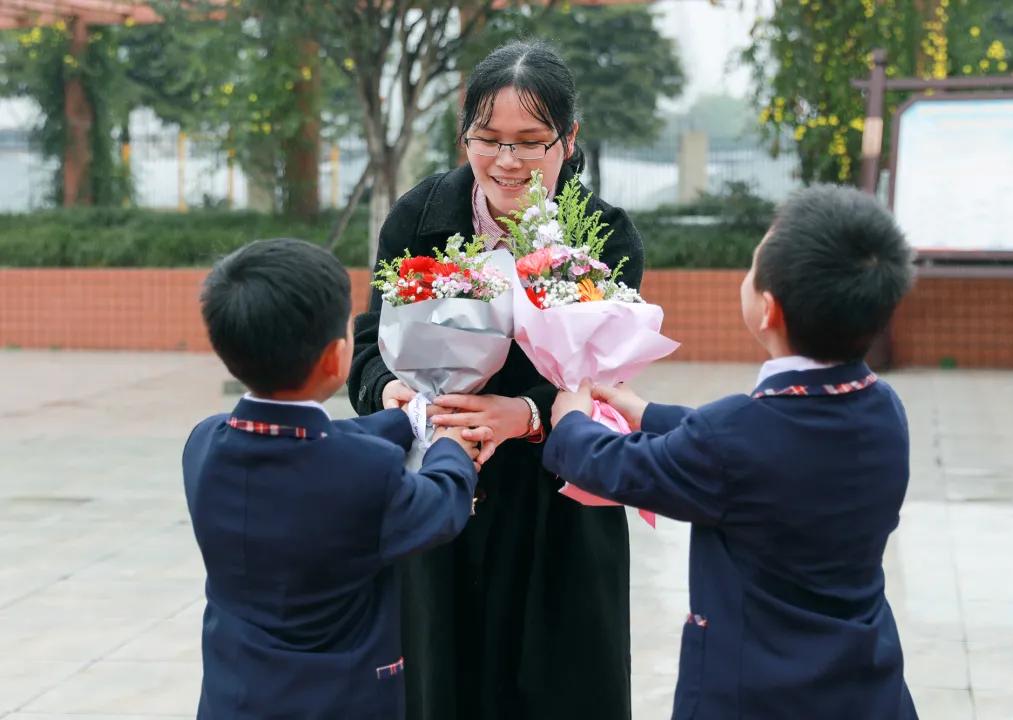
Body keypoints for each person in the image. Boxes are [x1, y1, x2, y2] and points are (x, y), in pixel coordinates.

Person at [348, 41, 644, 720]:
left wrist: (528, 414)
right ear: (465, 135)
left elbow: (606, 377)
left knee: (561, 685)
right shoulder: (418, 221)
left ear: (569, 139)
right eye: (488, 139)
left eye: (531, 142)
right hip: (447, 491)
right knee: (443, 679)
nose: (507, 161)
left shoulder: (604, 237)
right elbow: (371, 346)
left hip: (559, 503)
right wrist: (391, 394)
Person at [544, 185, 919, 719]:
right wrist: (645, 413)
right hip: (865, 686)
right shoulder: (885, 410)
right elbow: (751, 453)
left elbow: (622, 467)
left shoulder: (734, 436)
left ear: (767, 309)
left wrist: (572, 423)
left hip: (755, 695)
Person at [183, 238, 487, 719]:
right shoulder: (366, 474)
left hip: (234, 698)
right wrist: (451, 449)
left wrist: (406, 421)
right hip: (340, 703)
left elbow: (320, 440)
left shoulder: (204, 445)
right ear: (334, 358)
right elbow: (440, 506)